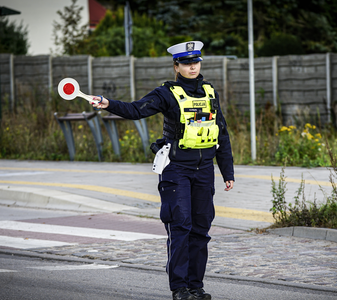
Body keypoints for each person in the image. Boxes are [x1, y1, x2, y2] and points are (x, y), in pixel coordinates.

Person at [91, 41, 234, 300]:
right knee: (181, 226)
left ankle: (196, 286)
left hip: (204, 170)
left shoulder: (210, 92)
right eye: (186, 63)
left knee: (201, 229)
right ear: (176, 66)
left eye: (196, 61)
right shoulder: (166, 93)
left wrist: (228, 172)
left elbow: (221, 133)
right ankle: (179, 288)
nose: (193, 66)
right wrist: (107, 103)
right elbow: (136, 109)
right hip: (176, 169)